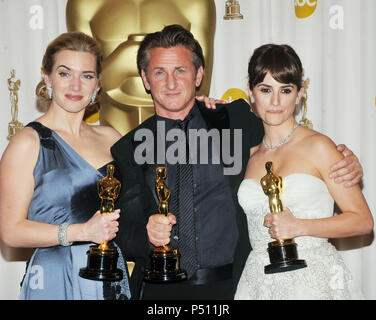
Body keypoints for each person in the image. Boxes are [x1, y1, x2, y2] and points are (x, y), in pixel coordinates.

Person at [111, 25, 364, 300]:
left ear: (198, 75)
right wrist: (147, 235)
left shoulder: (236, 120)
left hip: (233, 285)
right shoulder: (130, 147)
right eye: (160, 72)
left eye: (181, 70)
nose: (171, 83)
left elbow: (289, 144)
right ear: (145, 79)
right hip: (161, 290)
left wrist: (347, 161)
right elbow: (122, 232)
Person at [234, 44, 373, 300]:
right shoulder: (249, 155)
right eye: (265, 90)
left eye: (285, 90)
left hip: (314, 282)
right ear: (251, 94)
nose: (275, 101)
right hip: (258, 283)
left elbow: (363, 221)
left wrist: (299, 226)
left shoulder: (319, 146)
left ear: (299, 94)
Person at [0, 32, 130, 300]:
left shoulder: (111, 138)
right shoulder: (28, 142)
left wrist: (199, 112)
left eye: (86, 75)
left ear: (97, 84)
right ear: (47, 77)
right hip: (56, 277)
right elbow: (10, 231)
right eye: (64, 73)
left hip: (109, 274)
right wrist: (81, 231)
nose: (76, 86)